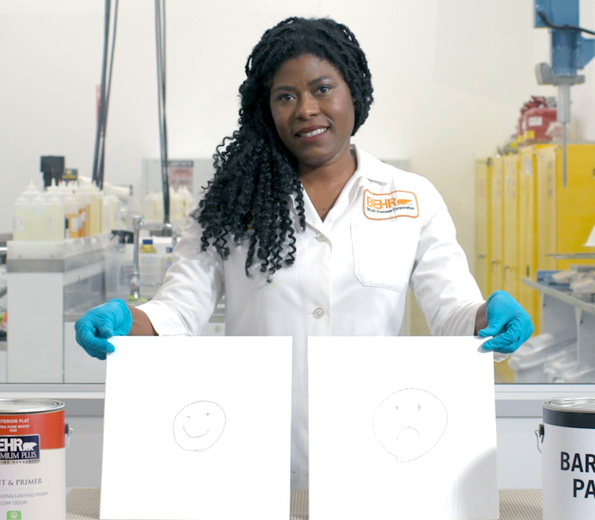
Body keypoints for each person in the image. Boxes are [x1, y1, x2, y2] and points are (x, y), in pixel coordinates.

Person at [75, 16, 533, 489]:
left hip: (377, 458)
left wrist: (486, 317)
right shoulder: (233, 202)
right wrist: (131, 322)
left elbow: (451, 310)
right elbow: (179, 310)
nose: (305, 109)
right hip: (253, 460)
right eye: (286, 96)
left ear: (353, 92)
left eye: (322, 89)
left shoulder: (412, 198)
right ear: (267, 109)